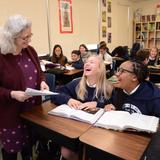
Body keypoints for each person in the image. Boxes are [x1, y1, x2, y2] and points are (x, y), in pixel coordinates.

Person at [0, 15, 49, 160]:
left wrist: (42, 81)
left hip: (33, 111)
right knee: (11, 152)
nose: (28, 40)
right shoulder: (2, 56)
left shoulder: (30, 50)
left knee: (29, 146)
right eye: (24, 37)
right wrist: (12, 94)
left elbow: (39, 72)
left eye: (30, 35)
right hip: (10, 114)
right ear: (12, 37)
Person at [51, 54, 113, 160]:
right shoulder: (77, 83)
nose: (87, 64)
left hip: (97, 133)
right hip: (76, 129)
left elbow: (113, 104)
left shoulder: (108, 88)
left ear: (100, 69)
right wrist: (68, 99)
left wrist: (98, 104)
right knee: (67, 152)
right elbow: (56, 94)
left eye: (92, 62)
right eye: (86, 62)